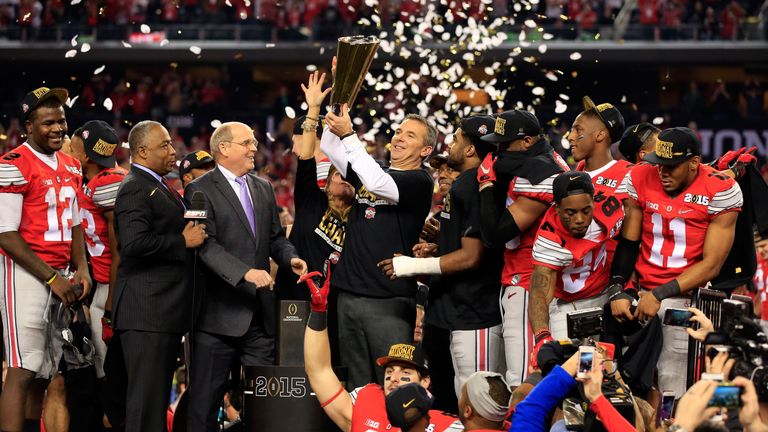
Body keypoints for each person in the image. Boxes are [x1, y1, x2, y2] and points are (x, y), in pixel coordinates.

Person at [183, 121, 307, 432]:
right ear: (223, 148)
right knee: (204, 405)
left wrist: (289, 258)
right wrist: (245, 273)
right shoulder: (198, 189)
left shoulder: (263, 187)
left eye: (254, 142)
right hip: (216, 319)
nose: (255, 148)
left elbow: (275, 237)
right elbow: (204, 245)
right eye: (247, 143)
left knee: (265, 406)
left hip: (260, 318)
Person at [377, 115, 504, 409]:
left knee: (480, 401)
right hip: (453, 309)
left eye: (457, 139)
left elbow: (472, 257)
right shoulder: (463, 187)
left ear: (471, 149)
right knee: (455, 399)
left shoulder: (476, 186)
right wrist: (435, 250)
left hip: (475, 313)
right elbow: (461, 247)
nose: (450, 143)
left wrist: (410, 265)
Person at [607, 127, 743, 398]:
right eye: (659, 165)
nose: (662, 173)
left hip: (684, 300)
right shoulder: (639, 175)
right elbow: (629, 241)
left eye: (671, 166)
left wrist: (660, 293)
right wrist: (618, 288)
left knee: (671, 388)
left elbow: (712, 264)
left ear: (694, 163)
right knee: (626, 386)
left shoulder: (720, 189)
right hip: (642, 295)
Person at [321, 105, 435, 389]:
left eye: (410, 135)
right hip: (348, 295)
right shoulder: (374, 170)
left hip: (388, 301)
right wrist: (340, 96)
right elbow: (329, 145)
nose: (398, 138)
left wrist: (349, 134)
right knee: (358, 388)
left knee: (396, 386)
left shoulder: (419, 181)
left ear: (425, 151)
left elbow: (377, 182)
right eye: (398, 131)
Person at [0, 87, 92, 432]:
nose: (57, 128)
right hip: (25, 271)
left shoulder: (70, 164)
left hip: (62, 272)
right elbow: (6, 235)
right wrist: (52, 277)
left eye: (62, 121)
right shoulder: (12, 164)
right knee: (24, 367)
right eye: (48, 122)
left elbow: (76, 223)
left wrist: (81, 266)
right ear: (28, 127)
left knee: (45, 369)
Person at [113, 120, 207, 432]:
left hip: (160, 314)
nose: (172, 150)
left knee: (153, 406)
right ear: (141, 151)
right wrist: (183, 241)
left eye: (170, 143)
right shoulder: (134, 188)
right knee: (145, 408)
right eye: (164, 145)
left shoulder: (157, 185)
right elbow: (133, 243)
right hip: (146, 314)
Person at [301, 268, 463, 432]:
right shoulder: (365, 402)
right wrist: (318, 311)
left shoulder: (449, 426)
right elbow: (318, 371)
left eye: (405, 373)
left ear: (425, 381)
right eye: (389, 372)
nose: (394, 378)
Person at [475, 109, 569, 386]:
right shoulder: (537, 161)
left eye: (504, 144)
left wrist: (486, 185)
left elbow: (494, 235)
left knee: (524, 378)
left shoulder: (541, 173)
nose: (498, 151)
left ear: (527, 141)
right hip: (523, 276)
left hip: (529, 280)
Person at [528, 171, 624, 346]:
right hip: (567, 305)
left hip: (604, 295)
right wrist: (542, 335)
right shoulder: (548, 240)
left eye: (586, 211)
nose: (579, 219)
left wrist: (624, 286)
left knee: (607, 363)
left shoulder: (609, 209)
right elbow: (539, 292)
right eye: (570, 213)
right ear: (557, 208)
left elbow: (628, 244)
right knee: (566, 362)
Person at [63, 120, 126, 382]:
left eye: (74, 147)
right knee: (102, 375)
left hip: (113, 288)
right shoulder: (91, 180)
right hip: (99, 286)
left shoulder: (109, 181)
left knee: (112, 378)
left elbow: (120, 249)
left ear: (86, 155)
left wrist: (110, 304)